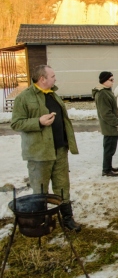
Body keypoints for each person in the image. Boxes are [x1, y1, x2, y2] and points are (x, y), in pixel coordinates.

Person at [11, 65, 81, 232]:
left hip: (59, 150)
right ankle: (42, 221)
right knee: (40, 189)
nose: (55, 78)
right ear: (42, 78)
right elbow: (16, 123)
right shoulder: (24, 98)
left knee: (63, 185)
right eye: (52, 76)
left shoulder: (53, 94)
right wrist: (38, 122)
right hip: (39, 153)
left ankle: (67, 218)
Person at [92, 71, 118, 177]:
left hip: (111, 126)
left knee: (111, 148)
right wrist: (116, 123)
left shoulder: (107, 91)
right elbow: (105, 113)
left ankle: (108, 166)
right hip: (109, 126)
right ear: (104, 81)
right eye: (111, 80)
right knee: (109, 148)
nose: (113, 82)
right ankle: (106, 169)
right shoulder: (102, 93)